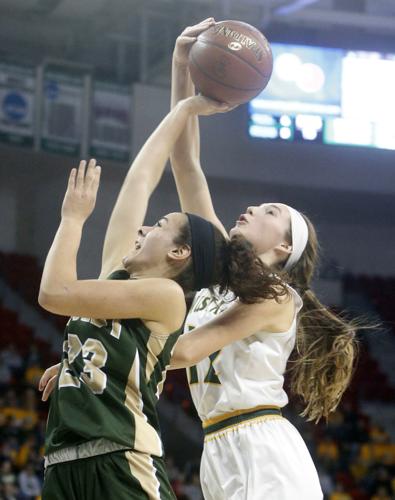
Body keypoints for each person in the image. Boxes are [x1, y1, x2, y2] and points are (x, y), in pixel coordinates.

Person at [37, 93, 277, 500]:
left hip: (123, 461)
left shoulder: (167, 296)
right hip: (64, 461)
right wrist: (182, 109)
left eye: (159, 225)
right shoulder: (119, 275)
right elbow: (140, 181)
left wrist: (73, 219)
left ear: (178, 252)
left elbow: (54, 293)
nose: (144, 228)